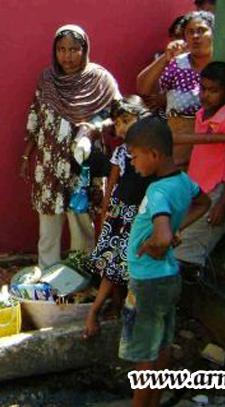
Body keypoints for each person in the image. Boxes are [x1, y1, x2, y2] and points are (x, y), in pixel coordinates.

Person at [121, 116, 211, 407]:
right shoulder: (183, 181)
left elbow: (160, 236)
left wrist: (157, 242)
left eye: (134, 157)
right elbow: (204, 202)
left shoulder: (157, 191)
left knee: (144, 352)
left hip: (147, 280)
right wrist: (176, 229)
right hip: (168, 277)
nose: (133, 164)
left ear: (154, 155)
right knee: (160, 346)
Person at [20, 24, 120, 269]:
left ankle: (80, 273)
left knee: (81, 219)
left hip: (83, 162)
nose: (67, 56)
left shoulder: (99, 78)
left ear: (84, 49)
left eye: (74, 49)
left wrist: (95, 126)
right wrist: (25, 158)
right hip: (49, 162)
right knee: (49, 221)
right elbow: (34, 118)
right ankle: (48, 273)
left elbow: (118, 114)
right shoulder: (48, 79)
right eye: (61, 49)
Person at [83, 96, 154, 339]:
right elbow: (111, 184)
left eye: (126, 121)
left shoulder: (153, 153)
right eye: (117, 123)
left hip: (140, 215)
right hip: (119, 213)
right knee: (112, 264)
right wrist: (105, 213)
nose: (121, 128)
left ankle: (124, 308)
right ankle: (106, 307)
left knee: (128, 265)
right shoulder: (121, 153)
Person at [174, 62, 225, 274]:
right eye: (203, 89)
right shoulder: (201, 115)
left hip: (215, 195)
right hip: (196, 192)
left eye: (213, 91)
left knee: (185, 254)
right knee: (178, 245)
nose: (205, 95)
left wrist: (223, 204)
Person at [136, 11, 215, 168]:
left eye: (201, 30)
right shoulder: (177, 65)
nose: (195, 36)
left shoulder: (222, 63)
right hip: (178, 157)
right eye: (190, 32)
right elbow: (143, 88)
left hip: (212, 158)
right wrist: (165, 58)